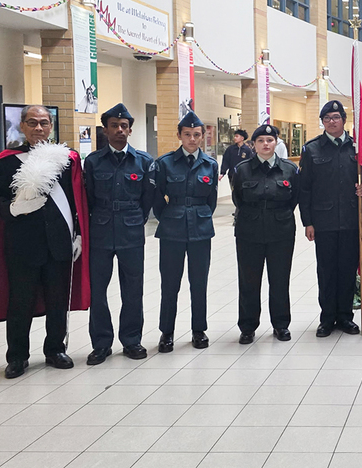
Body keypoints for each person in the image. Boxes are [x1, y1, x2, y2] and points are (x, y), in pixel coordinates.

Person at [0, 105, 90, 379]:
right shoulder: (5, 162)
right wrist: (12, 209)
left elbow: (75, 201)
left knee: (58, 302)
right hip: (22, 245)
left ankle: (55, 349)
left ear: (51, 126)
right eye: (32, 123)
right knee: (20, 303)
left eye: (43, 123)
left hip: (59, 243)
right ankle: (17, 357)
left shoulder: (66, 160)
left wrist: (78, 234)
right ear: (22, 126)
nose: (38, 128)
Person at [84, 103, 153, 365]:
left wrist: (135, 219)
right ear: (106, 129)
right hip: (100, 231)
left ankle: (132, 340)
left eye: (124, 126)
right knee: (98, 291)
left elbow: (147, 199)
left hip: (131, 231)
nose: (120, 130)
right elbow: (88, 198)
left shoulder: (144, 161)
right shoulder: (93, 162)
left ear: (130, 130)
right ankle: (101, 344)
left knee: (133, 289)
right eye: (114, 125)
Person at [298, 100, 362, 337]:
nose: (331, 121)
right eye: (327, 118)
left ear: (344, 120)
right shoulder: (312, 149)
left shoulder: (357, 148)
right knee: (326, 271)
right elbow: (304, 189)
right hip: (323, 222)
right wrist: (307, 221)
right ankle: (327, 318)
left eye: (336, 117)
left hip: (351, 219)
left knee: (348, 270)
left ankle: (345, 317)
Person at [150, 110, 219, 352]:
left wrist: (199, 216)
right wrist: (170, 216)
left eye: (197, 135)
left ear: (203, 137)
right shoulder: (164, 163)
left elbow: (211, 200)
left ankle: (199, 331)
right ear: (179, 135)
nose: (192, 139)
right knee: (170, 283)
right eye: (187, 134)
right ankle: (166, 332)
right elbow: (157, 200)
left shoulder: (210, 164)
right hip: (172, 230)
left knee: (199, 283)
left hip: (201, 230)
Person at [233, 125, 298, 344]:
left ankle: (281, 325)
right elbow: (238, 198)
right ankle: (248, 327)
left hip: (281, 231)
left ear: (276, 143)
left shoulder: (289, 169)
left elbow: (294, 199)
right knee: (249, 281)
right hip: (249, 232)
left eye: (270, 140)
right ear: (254, 145)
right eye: (260, 141)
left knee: (280, 280)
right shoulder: (242, 170)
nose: (265, 144)